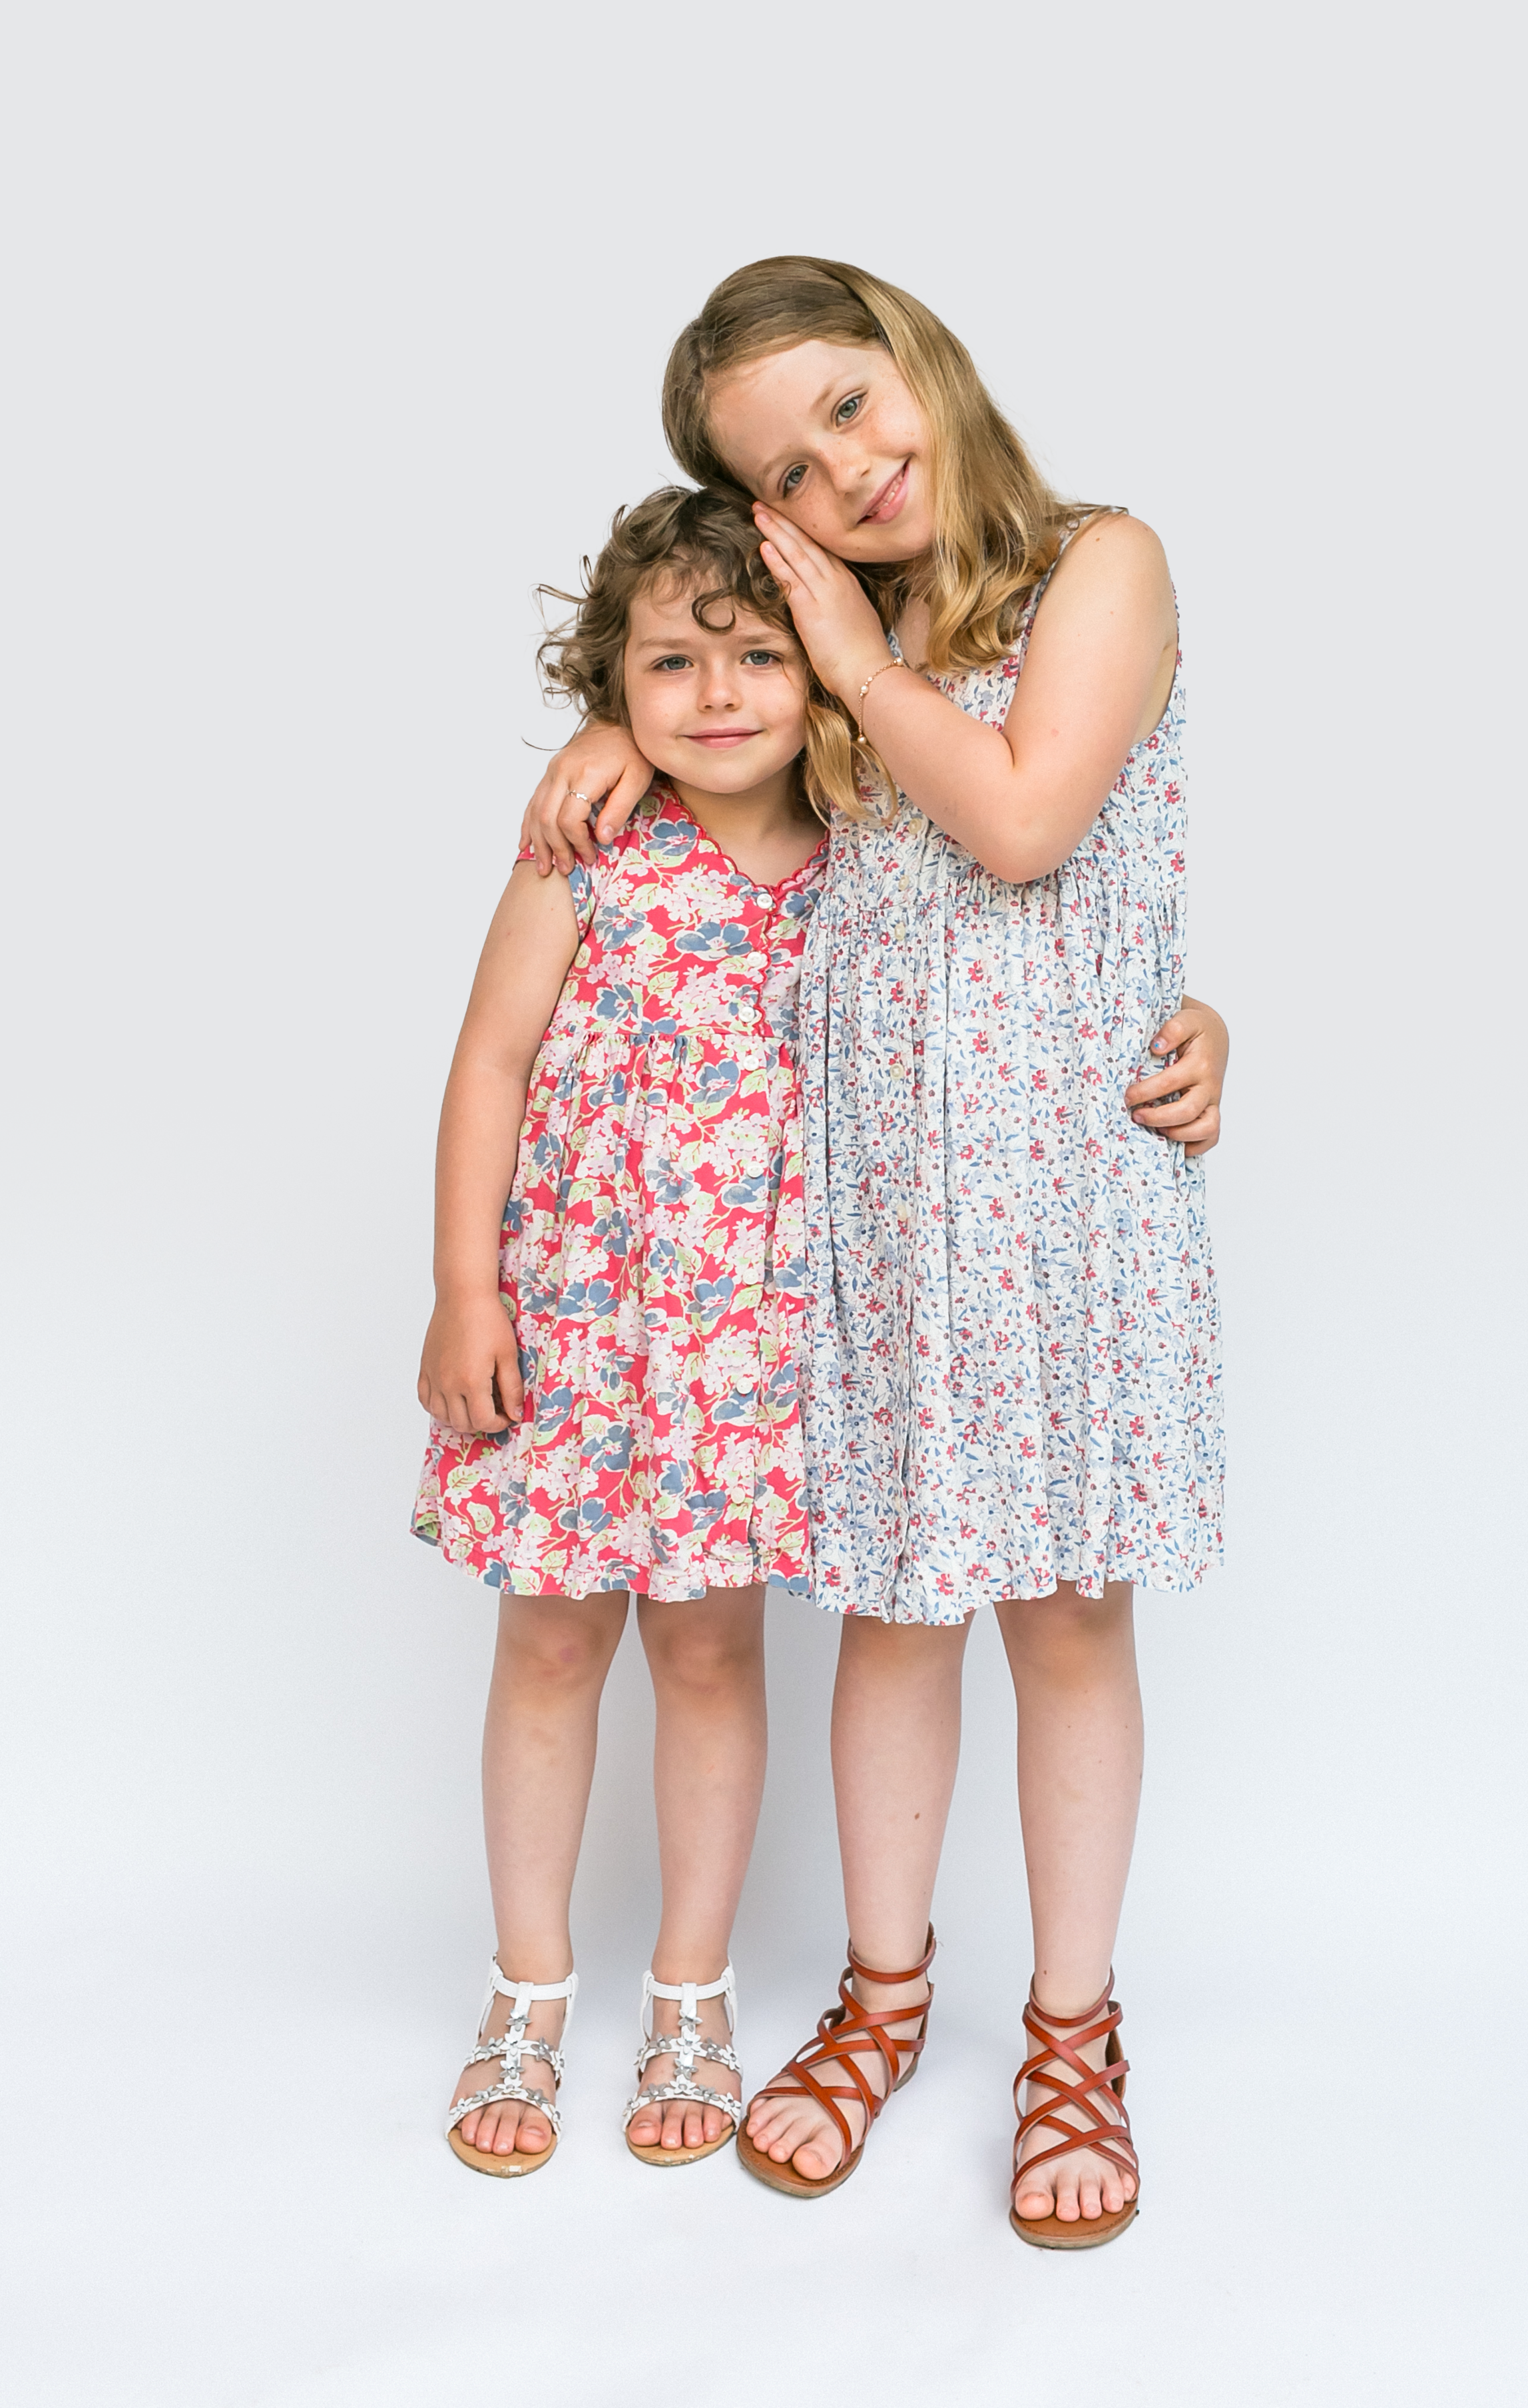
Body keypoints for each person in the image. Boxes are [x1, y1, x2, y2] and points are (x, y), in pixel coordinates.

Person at [519, 258, 1228, 2246]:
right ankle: (880, 1990)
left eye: (847, 402)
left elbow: (1020, 823)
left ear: (914, 347)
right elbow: (713, 758)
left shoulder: (1096, 562)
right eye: (788, 472)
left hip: (1065, 1190)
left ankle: (1070, 2029)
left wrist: (1206, 1024)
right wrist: (611, 746)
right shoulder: (815, 633)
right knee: (895, 1608)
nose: (846, 467)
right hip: (868, 1201)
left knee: (1066, 1612)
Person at [415, 483, 860, 2175]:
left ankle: (691, 1989)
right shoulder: (585, 840)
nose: (719, 693)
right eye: (670, 662)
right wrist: (469, 1287)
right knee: (544, 1644)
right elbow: (490, 1061)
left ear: (822, 671)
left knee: (708, 1653)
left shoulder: (864, 859)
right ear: (611, 683)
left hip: (747, 1347)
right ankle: (527, 1991)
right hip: (577, 1328)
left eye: (757, 654)